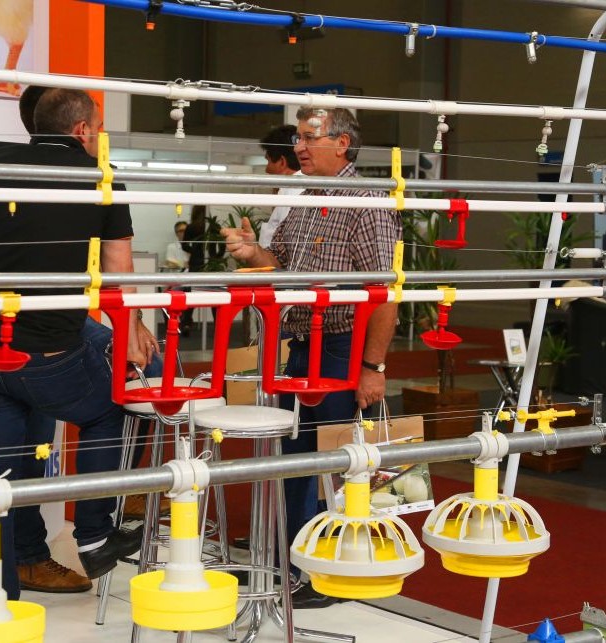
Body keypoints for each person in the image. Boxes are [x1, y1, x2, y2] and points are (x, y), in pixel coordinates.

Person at [0, 88, 158, 601]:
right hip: (49, 354)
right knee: (109, 409)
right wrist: (129, 336)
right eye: (98, 127)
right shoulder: (100, 178)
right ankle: (95, 534)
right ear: (82, 129)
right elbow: (119, 273)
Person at [220, 106, 401, 606]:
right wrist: (254, 253)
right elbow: (280, 263)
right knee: (296, 458)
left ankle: (329, 574)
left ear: (342, 143)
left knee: (336, 461)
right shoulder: (303, 197)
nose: (298, 146)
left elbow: (386, 291)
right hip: (301, 344)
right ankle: (291, 565)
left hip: (343, 346)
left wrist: (373, 367)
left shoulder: (367, 203)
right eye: (298, 137)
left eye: (308, 137)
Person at [179, 205, 224, 334]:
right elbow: (222, 245)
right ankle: (218, 326)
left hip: (196, 263)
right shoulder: (214, 226)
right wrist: (217, 257)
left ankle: (186, 324)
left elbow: (184, 245)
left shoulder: (191, 227)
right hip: (211, 263)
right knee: (214, 295)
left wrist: (194, 251)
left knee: (191, 294)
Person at [257, 124, 303, 249]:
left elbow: (286, 250)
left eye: (268, 161)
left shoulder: (291, 195)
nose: (266, 169)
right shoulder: (291, 191)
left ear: (282, 162)